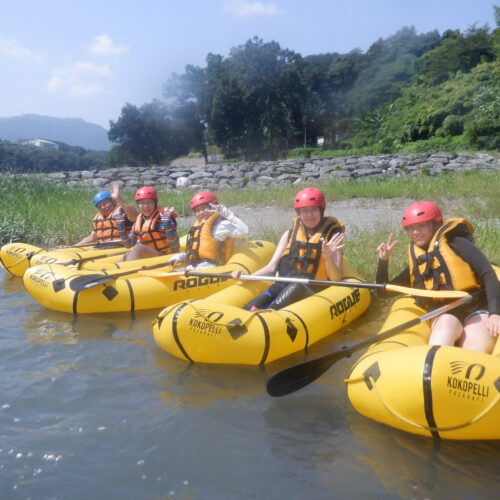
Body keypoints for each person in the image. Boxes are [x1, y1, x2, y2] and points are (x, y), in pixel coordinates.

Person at [376, 201, 500, 353]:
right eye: (410, 228)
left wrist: (495, 313)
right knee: (442, 334)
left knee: (472, 350)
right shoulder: (419, 262)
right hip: (445, 313)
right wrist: (383, 261)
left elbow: (488, 273)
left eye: (420, 226)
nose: (415, 232)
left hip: (476, 307)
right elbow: (383, 293)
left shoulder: (457, 243)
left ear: (435, 224)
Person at [232, 187, 345, 311]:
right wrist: (246, 277)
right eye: (304, 210)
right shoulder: (289, 234)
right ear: (299, 213)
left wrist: (328, 256)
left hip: (313, 291)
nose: (309, 215)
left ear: (321, 210)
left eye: (314, 210)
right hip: (285, 285)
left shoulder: (333, 237)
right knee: (270, 292)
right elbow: (271, 268)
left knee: (296, 286)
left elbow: (336, 278)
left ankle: (268, 315)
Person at [168, 190, 249, 270]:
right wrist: (182, 256)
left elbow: (245, 231)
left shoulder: (222, 225)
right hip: (195, 267)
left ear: (214, 207)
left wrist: (226, 213)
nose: (201, 212)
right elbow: (198, 250)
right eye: (197, 210)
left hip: (212, 268)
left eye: (204, 208)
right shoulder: (198, 227)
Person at [116, 186, 179, 261]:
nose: (146, 206)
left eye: (149, 202)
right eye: (142, 203)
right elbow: (128, 244)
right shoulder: (139, 221)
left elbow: (174, 245)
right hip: (151, 256)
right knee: (128, 253)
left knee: (138, 248)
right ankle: (112, 271)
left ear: (155, 203)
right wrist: (121, 229)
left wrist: (167, 226)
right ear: (138, 205)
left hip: (167, 256)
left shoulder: (163, 218)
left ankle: (123, 271)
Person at [75, 181, 138, 246]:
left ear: (113, 202)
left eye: (105, 203)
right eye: (99, 206)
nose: (102, 207)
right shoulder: (98, 219)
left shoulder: (122, 213)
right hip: (104, 247)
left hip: (121, 247)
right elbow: (92, 237)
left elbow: (135, 217)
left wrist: (119, 199)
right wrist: (74, 246)